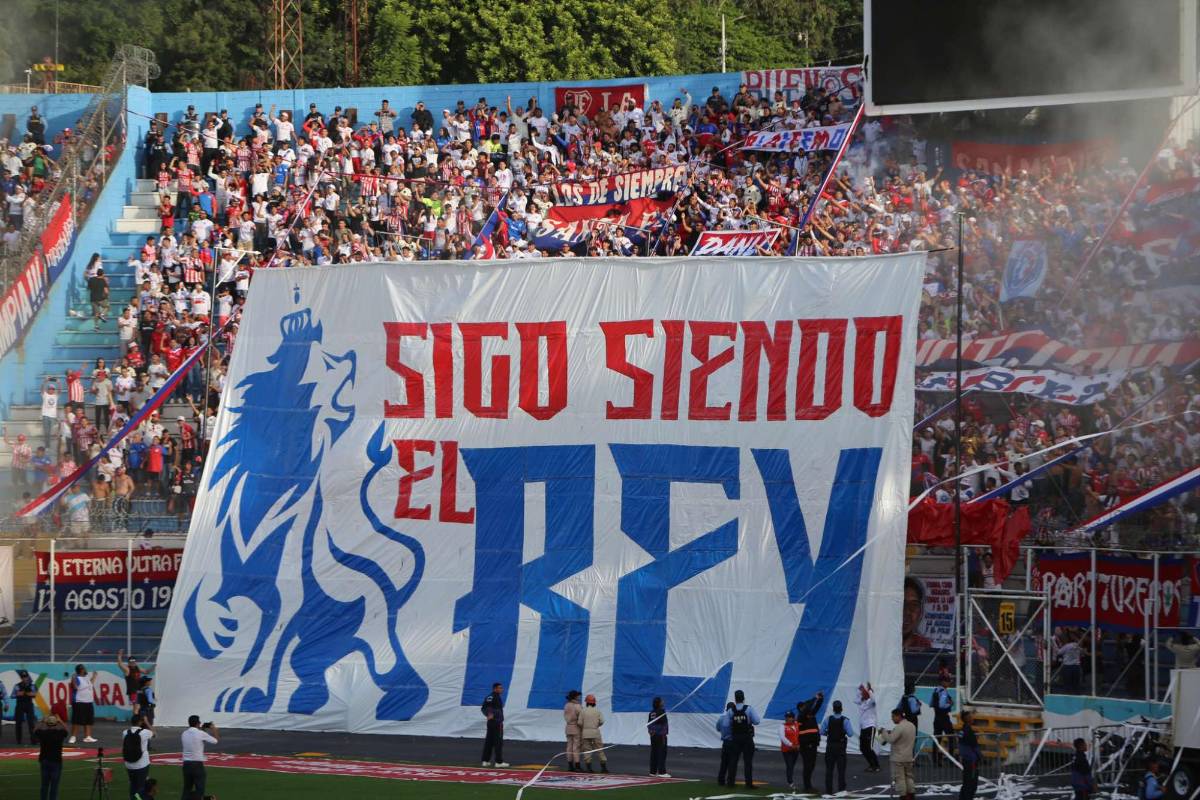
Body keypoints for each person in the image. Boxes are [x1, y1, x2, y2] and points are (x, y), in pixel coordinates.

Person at [725, 689, 761, 788]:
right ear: (743, 698)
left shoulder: (731, 710)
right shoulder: (749, 709)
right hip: (747, 737)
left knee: (733, 761)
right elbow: (757, 721)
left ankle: (730, 782)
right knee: (748, 762)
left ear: (735, 699)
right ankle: (748, 783)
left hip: (735, 737)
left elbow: (726, 725)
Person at [881, 708, 917, 800]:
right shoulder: (912, 725)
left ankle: (903, 796)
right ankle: (911, 794)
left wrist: (883, 732)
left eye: (893, 716)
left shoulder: (899, 727)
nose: (892, 719)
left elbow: (891, 739)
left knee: (900, 779)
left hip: (898, 758)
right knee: (909, 777)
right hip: (909, 756)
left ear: (898, 716)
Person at [181, 714, 219, 799]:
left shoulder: (184, 733)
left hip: (186, 765)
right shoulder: (201, 733)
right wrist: (214, 729)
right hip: (197, 765)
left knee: (187, 788)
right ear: (198, 723)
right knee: (199, 790)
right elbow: (215, 741)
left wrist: (202, 729)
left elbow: (197, 741)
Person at [820, 699, 854, 796]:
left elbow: (821, 731)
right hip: (840, 747)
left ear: (833, 709)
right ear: (841, 709)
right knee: (841, 770)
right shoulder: (845, 720)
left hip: (830, 746)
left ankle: (828, 790)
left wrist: (829, 733)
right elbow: (850, 734)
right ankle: (841, 790)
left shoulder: (828, 719)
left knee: (829, 769)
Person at [35, 713, 69, 800]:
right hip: (56, 761)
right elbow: (66, 730)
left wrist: (42, 721)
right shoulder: (60, 733)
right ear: (56, 724)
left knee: (44, 785)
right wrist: (60, 720)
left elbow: (35, 730)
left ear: (47, 724)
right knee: (54, 786)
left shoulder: (43, 733)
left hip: (44, 760)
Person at [122, 712, 154, 800]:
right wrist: (147, 722)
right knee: (141, 788)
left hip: (129, 764)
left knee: (133, 786)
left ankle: (133, 798)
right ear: (141, 722)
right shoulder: (145, 732)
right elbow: (154, 733)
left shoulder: (125, 732)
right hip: (141, 764)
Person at [854, 682, 881, 772]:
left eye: (864, 692)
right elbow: (855, 700)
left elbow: (873, 699)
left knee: (869, 747)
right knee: (862, 747)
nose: (862, 693)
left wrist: (869, 690)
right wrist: (860, 689)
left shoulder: (871, 702)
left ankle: (876, 765)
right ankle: (871, 764)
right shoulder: (862, 702)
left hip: (870, 727)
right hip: (863, 727)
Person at [67, 664, 97, 744]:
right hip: (79, 702)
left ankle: (87, 736)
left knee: (88, 720)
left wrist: (94, 676)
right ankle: (73, 737)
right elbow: (75, 687)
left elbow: (90, 684)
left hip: (88, 702)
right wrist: (73, 678)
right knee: (77, 720)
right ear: (81, 670)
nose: (85, 670)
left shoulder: (86, 678)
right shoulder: (76, 678)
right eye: (84, 669)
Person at [480, 682, 508, 768]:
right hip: (497, 723)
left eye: (501, 688)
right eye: (499, 688)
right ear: (495, 689)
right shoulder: (495, 697)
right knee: (498, 742)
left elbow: (484, 708)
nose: (501, 689)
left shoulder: (490, 697)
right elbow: (486, 708)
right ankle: (498, 762)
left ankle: (485, 761)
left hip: (490, 723)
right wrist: (490, 714)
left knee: (489, 742)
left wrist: (488, 714)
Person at [579, 693, 608, 773]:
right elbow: (602, 721)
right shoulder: (597, 711)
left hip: (585, 733)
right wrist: (596, 725)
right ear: (594, 702)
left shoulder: (583, 711)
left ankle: (589, 768)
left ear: (586, 702)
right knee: (600, 749)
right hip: (595, 732)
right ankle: (604, 768)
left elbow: (579, 723)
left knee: (587, 750)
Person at [931, 676, 956, 763]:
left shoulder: (935, 690)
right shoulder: (944, 692)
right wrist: (950, 704)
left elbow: (931, 703)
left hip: (936, 717)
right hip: (944, 717)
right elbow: (942, 705)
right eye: (948, 681)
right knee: (951, 737)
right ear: (943, 682)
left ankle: (935, 759)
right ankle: (952, 760)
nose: (949, 683)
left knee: (937, 739)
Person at [797, 708, 820, 793]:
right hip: (806, 746)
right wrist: (815, 698)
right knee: (807, 766)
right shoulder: (801, 718)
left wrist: (820, 699)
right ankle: (807, 786)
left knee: (812, 765)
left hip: (813, 745)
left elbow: (816, 708)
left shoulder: (812, 717)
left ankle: (808, 785)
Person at [959, 709, 979, 800]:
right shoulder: (968, 731)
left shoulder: (962, 730)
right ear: (968, 719)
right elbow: (974, 746)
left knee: (966, 782)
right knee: (971, 784)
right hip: (971, 760)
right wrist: (979, 756)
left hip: (966, 759)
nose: (973, 718)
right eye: (971, 716)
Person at [14, 668, 38, 743]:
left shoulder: (32, 685)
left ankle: (33, 740)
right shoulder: (17, 685)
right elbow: (14, 694)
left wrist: (24, 693)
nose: (24, 678)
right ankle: (19, 740)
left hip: (28, 704)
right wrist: (25, 692)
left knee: (31, 723)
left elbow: (34, 694)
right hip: (20, 704)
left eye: (25, 677)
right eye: (23, 677)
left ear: (28, 677)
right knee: (18, 723)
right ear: (21, 678)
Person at [647, 696, 669, 778]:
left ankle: (652, 771)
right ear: (659, 703)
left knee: (654, 753)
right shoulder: (662, 711)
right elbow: (664, 724)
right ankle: (662, 772)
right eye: (662, 701)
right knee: (662, 753)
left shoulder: (651, 713)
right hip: (660, 735)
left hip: (653, 736)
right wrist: (664, 733)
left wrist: (651, 732)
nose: (663, 702)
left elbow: (649, 724)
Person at [779, 710, 800, 790]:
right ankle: (790, 782)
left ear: (793, 718)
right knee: (789, 765)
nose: (788, 719)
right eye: (787, 717)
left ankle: (790, 779)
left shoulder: (797, 724)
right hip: (787, 750)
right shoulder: (782, 726)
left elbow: (799, 735)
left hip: (796, 749)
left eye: (790, 717)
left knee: (792, 766)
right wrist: (791, 745)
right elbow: (782, 737)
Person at [715, 701, 735, 785]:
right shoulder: (734, 719)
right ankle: (730, 781)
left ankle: (721, 779)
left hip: (725, 742)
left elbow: (718, 728)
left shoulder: (721, 718)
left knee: (724, 762)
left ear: (726, 709)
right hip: (733, 742)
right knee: (732, 762)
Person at [563, 690, 583, 772]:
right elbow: (582, 717)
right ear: (575, 697)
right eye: (578, 695)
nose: (579, 697)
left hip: (568, 727)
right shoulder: (578, 706)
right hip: (576, 727)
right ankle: (577, 765)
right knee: (576, 747)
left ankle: (570, 765)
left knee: (569, 747)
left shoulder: (566, 705)